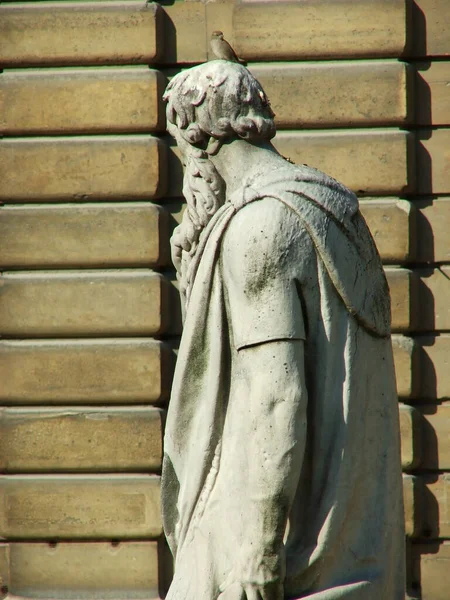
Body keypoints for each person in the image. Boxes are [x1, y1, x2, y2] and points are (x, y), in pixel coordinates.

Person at [161, 60, 405, 600]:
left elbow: (275, 393)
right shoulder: (333, 208)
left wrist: (261, 547)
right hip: (356, 550)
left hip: (274, 555)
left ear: (201, 138)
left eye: (180, 145)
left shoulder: (259, 226)